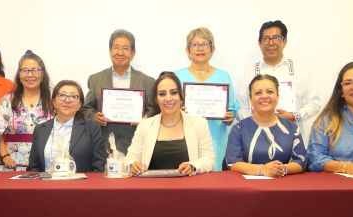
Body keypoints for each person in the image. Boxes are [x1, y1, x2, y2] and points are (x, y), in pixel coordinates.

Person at [237, 20, 320, 144]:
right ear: (260, 43)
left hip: (292, 140)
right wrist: (255, 120)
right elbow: (240, 107)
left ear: (284, 41)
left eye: (276, 38)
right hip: (256, 140)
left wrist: (294, 116)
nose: (270, 43)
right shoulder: (249, 73)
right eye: (266, 39)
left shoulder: (301, 70)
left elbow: (314, 103)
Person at [175, 27, 240, 171]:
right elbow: (170, 110)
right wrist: (177, 112)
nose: (200, 48)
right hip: (184, 138)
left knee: (212, 182)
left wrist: (230, 117)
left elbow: (230, 110)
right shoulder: (177, 76)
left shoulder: (224, 76)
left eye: (205, 44)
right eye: (195, 44)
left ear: (212, 49)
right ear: (187, 50)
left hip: (215, 138)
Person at [126, 72, 215, 175]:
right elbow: (129, 159)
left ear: (181, 96)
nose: (168, 99)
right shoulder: (145, 125)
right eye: (162, 94)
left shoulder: (199, 123)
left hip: (189, 188)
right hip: (151, 188)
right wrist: (132, 165)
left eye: (173, 92)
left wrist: (193, 166)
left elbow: (209, 159)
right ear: (156, 99)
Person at [83, 29, 155, 154]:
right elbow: (86, 108)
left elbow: (153, 109)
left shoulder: (147, 81)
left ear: (133, 53)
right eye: (116, 47)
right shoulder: (95, 79)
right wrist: (95, 117)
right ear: (110, 51)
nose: (120, 52)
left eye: (126, 48)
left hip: (137, 144)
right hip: (103, 144)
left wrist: (146, 119)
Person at [226, 74, 307, 177]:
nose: (264, 96)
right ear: (250, 99)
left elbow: (301, 161)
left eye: (270, 92)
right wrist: (262, 170)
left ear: (277, 96)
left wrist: (281, 169)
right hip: (248, 189)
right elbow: (233, 163)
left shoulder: (292, 128)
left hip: (284, 186)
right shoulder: (238, 129)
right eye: (258, 93)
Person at [27, 80, 106, 172]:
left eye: (73, 96)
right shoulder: (40, 129)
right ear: (54, 102)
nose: (67, 100)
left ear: (80, 104)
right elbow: (33, 166)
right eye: (62, 95)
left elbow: (99, 165)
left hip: (79, 185)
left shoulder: (92, 127)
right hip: (46, 184)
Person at [0, 50, 53, 169]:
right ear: (19, 75)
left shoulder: (54, 100)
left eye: (35, 70)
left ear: (42, 75)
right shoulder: (7, 100)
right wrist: (4, 155)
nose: (30, 75)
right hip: (12, 163)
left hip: (48, 161)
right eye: (25, 70)